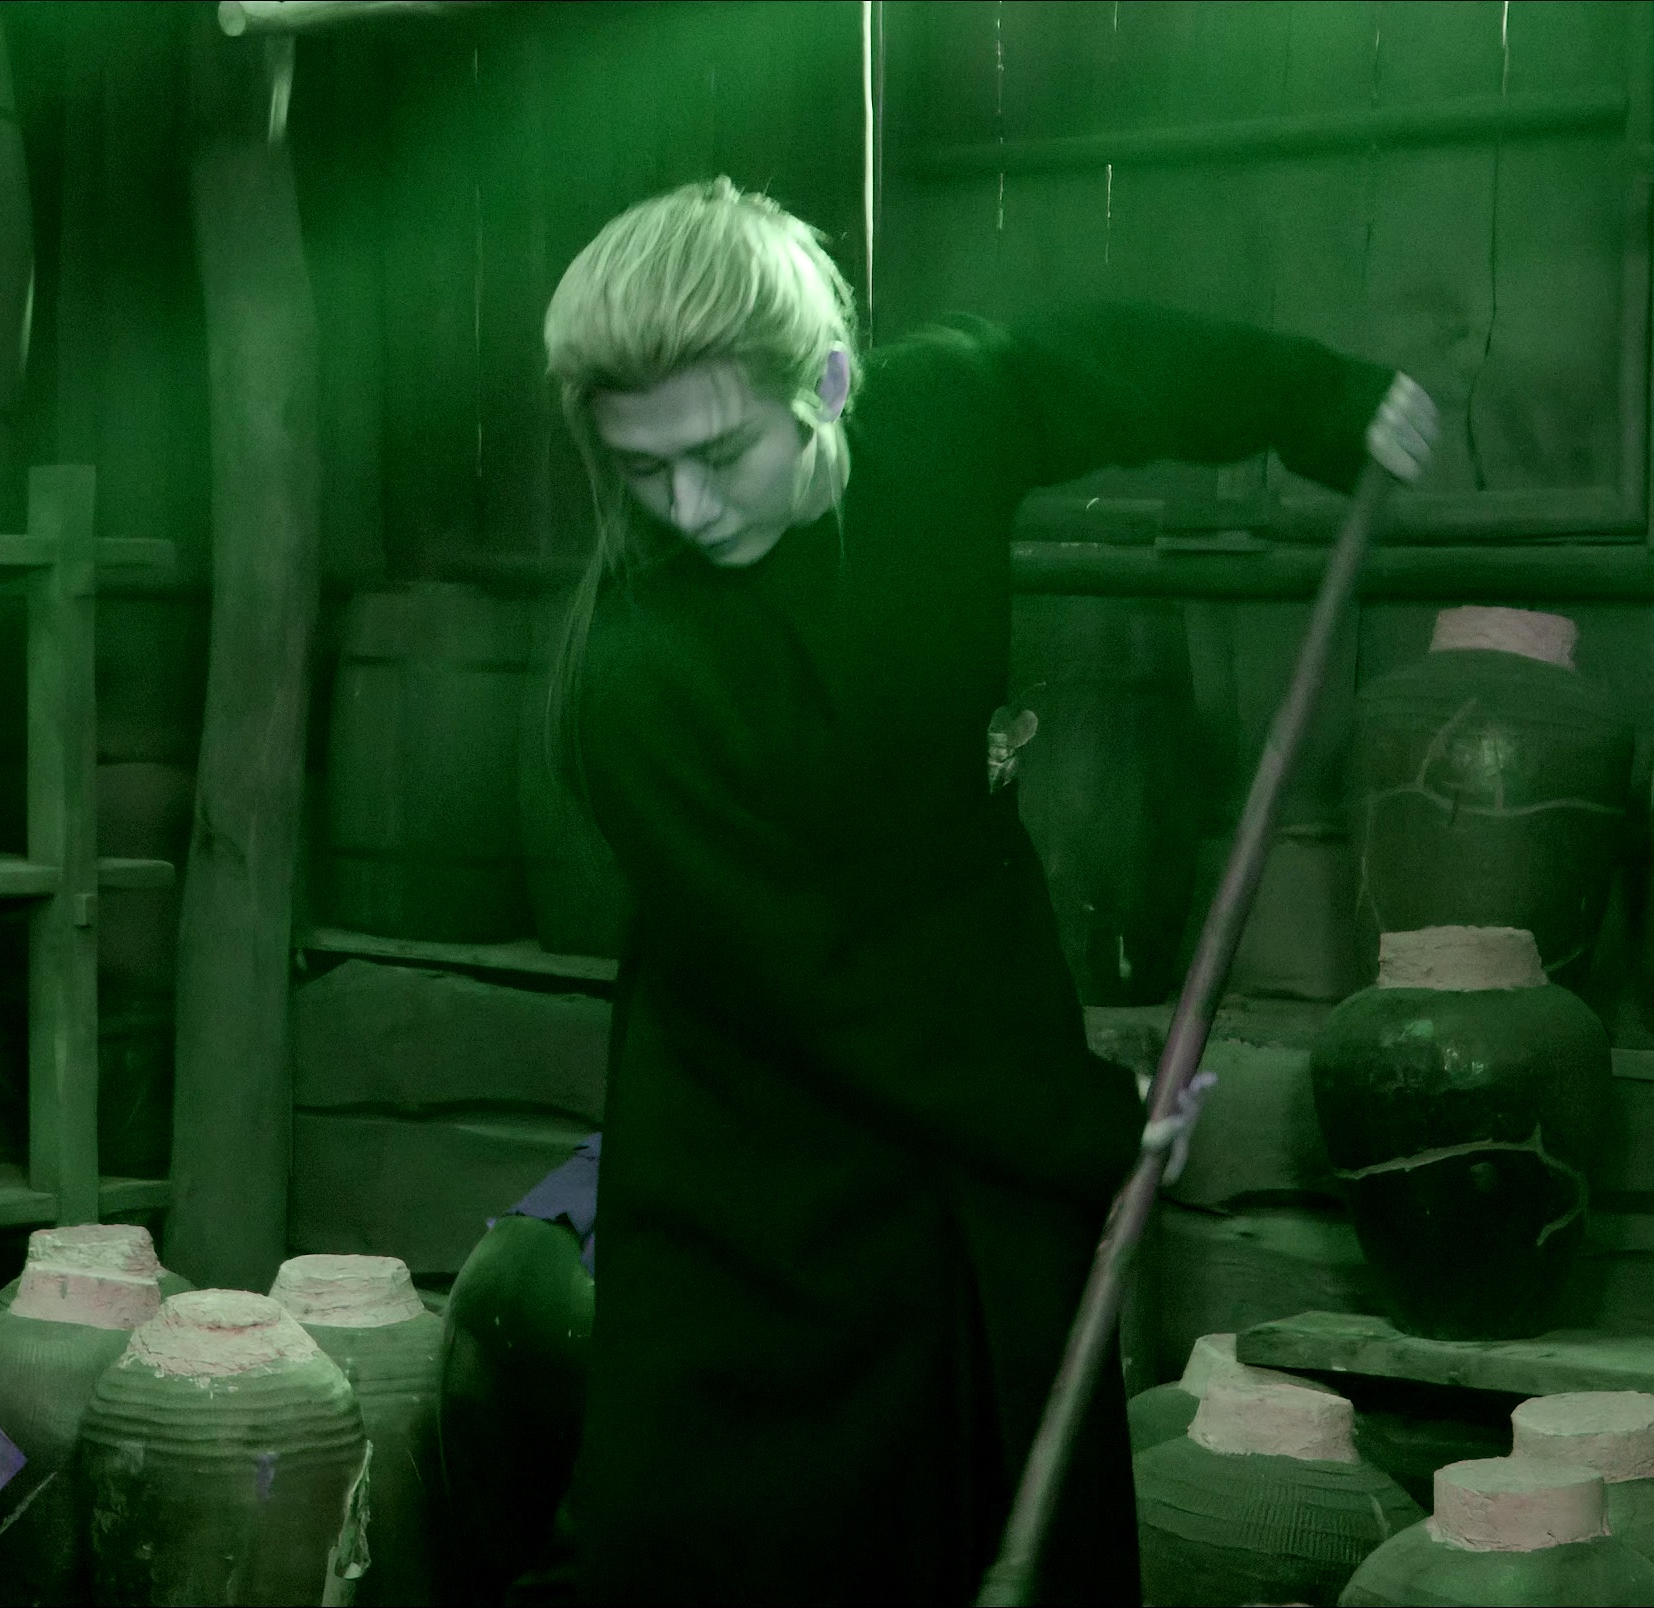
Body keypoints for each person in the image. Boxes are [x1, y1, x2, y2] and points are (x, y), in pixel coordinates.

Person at [536, 180, 1437, 1604]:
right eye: (643, 471)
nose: (689, 509)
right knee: (753, 1529)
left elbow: (1115, 368)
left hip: (977, 1007)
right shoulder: (635, 678)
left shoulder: (940, 420)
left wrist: (1324, 402)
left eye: (718, 453)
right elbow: (815, 987)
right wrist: (1086, 1123)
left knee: (1015, 1455)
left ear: (831, 386)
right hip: (757, 1132)